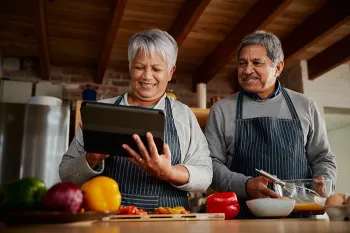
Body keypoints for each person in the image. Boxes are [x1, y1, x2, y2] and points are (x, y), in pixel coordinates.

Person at [59, 29, 212, 211]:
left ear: (170, 72)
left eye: (156, 69)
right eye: (140, 67)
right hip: (110, 222)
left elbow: (205, 176)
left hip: (169, 222)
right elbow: (66, 174)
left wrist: (170, 173)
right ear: (130, 66)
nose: (147, 76)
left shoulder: (184, 115)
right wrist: (91, 159)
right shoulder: (100, 111)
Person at [205, 30, 337, 219]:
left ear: (278, 67)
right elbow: (211, 165)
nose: (247, 70)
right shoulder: (221, 110)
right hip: (242, 221)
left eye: (256, 63)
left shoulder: (306, 106)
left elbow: (323, 158)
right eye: (242, 63)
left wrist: (324, 181)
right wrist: (246, 185)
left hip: (301, 220)